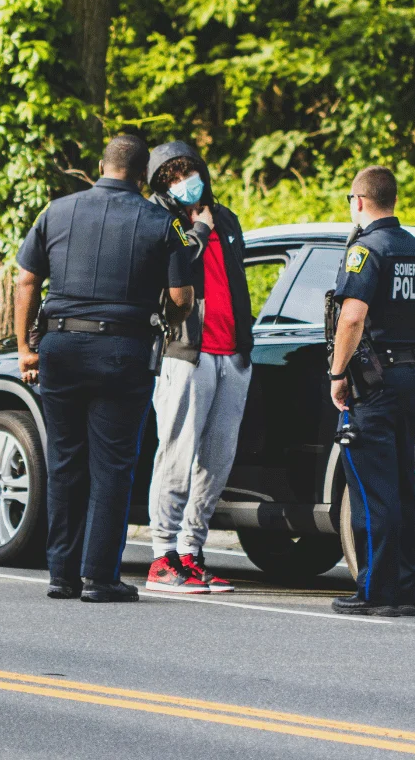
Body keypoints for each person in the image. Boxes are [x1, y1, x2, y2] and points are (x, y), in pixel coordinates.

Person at [14, 135, 195, 603]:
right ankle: (100, 578)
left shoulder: (55, 212)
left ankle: (61, 575)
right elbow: (181, 298)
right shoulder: (162, 222)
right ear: (141, 176)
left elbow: (27, 280)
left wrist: (25, 348)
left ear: (100, 165)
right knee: (112, 465)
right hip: (123, 351)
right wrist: (166, 325)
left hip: (61, 347)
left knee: (65, 460)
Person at [142, 141, 253, 594]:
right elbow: (170, 272)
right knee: (176, 451)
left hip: (232, 352)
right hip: (185, 350)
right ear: (160, 185)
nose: (182, 184)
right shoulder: (157, 221)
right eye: (170, 177)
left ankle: (191, 550)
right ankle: (161, 555)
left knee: (217, 459)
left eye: (187, 173)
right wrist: (199, 233)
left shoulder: (225, 218)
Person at [328, 166, 415, 617]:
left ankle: (374, 590)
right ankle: (405, 588)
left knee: (372, 487)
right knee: (400, 482)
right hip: (410, 374)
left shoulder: (366, 251)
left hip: (372, 380)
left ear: (358, 201)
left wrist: (338, 374)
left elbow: (351, 318)